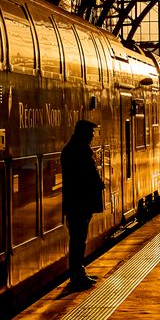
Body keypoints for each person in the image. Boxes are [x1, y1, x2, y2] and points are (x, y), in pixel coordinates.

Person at [61, 119, 104, 290]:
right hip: (78, 203)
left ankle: (79, 272)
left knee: (79, 239)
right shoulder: (77, 151)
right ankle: (77, 275)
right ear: (83, 133)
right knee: (78, 240)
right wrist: (97, 183)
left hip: (79, 203)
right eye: (91, 133)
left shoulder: (75, 150)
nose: (92, 137)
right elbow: (84, 177)